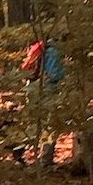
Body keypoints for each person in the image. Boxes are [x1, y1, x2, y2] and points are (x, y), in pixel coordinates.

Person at [16, 36, 64, 167]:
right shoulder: (53, 52)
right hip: (46, 90)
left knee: (32, 122)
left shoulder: (38, 49)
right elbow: (55, 74)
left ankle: (18, 150)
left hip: (31, 87)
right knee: (50, 125)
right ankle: (45, 160)